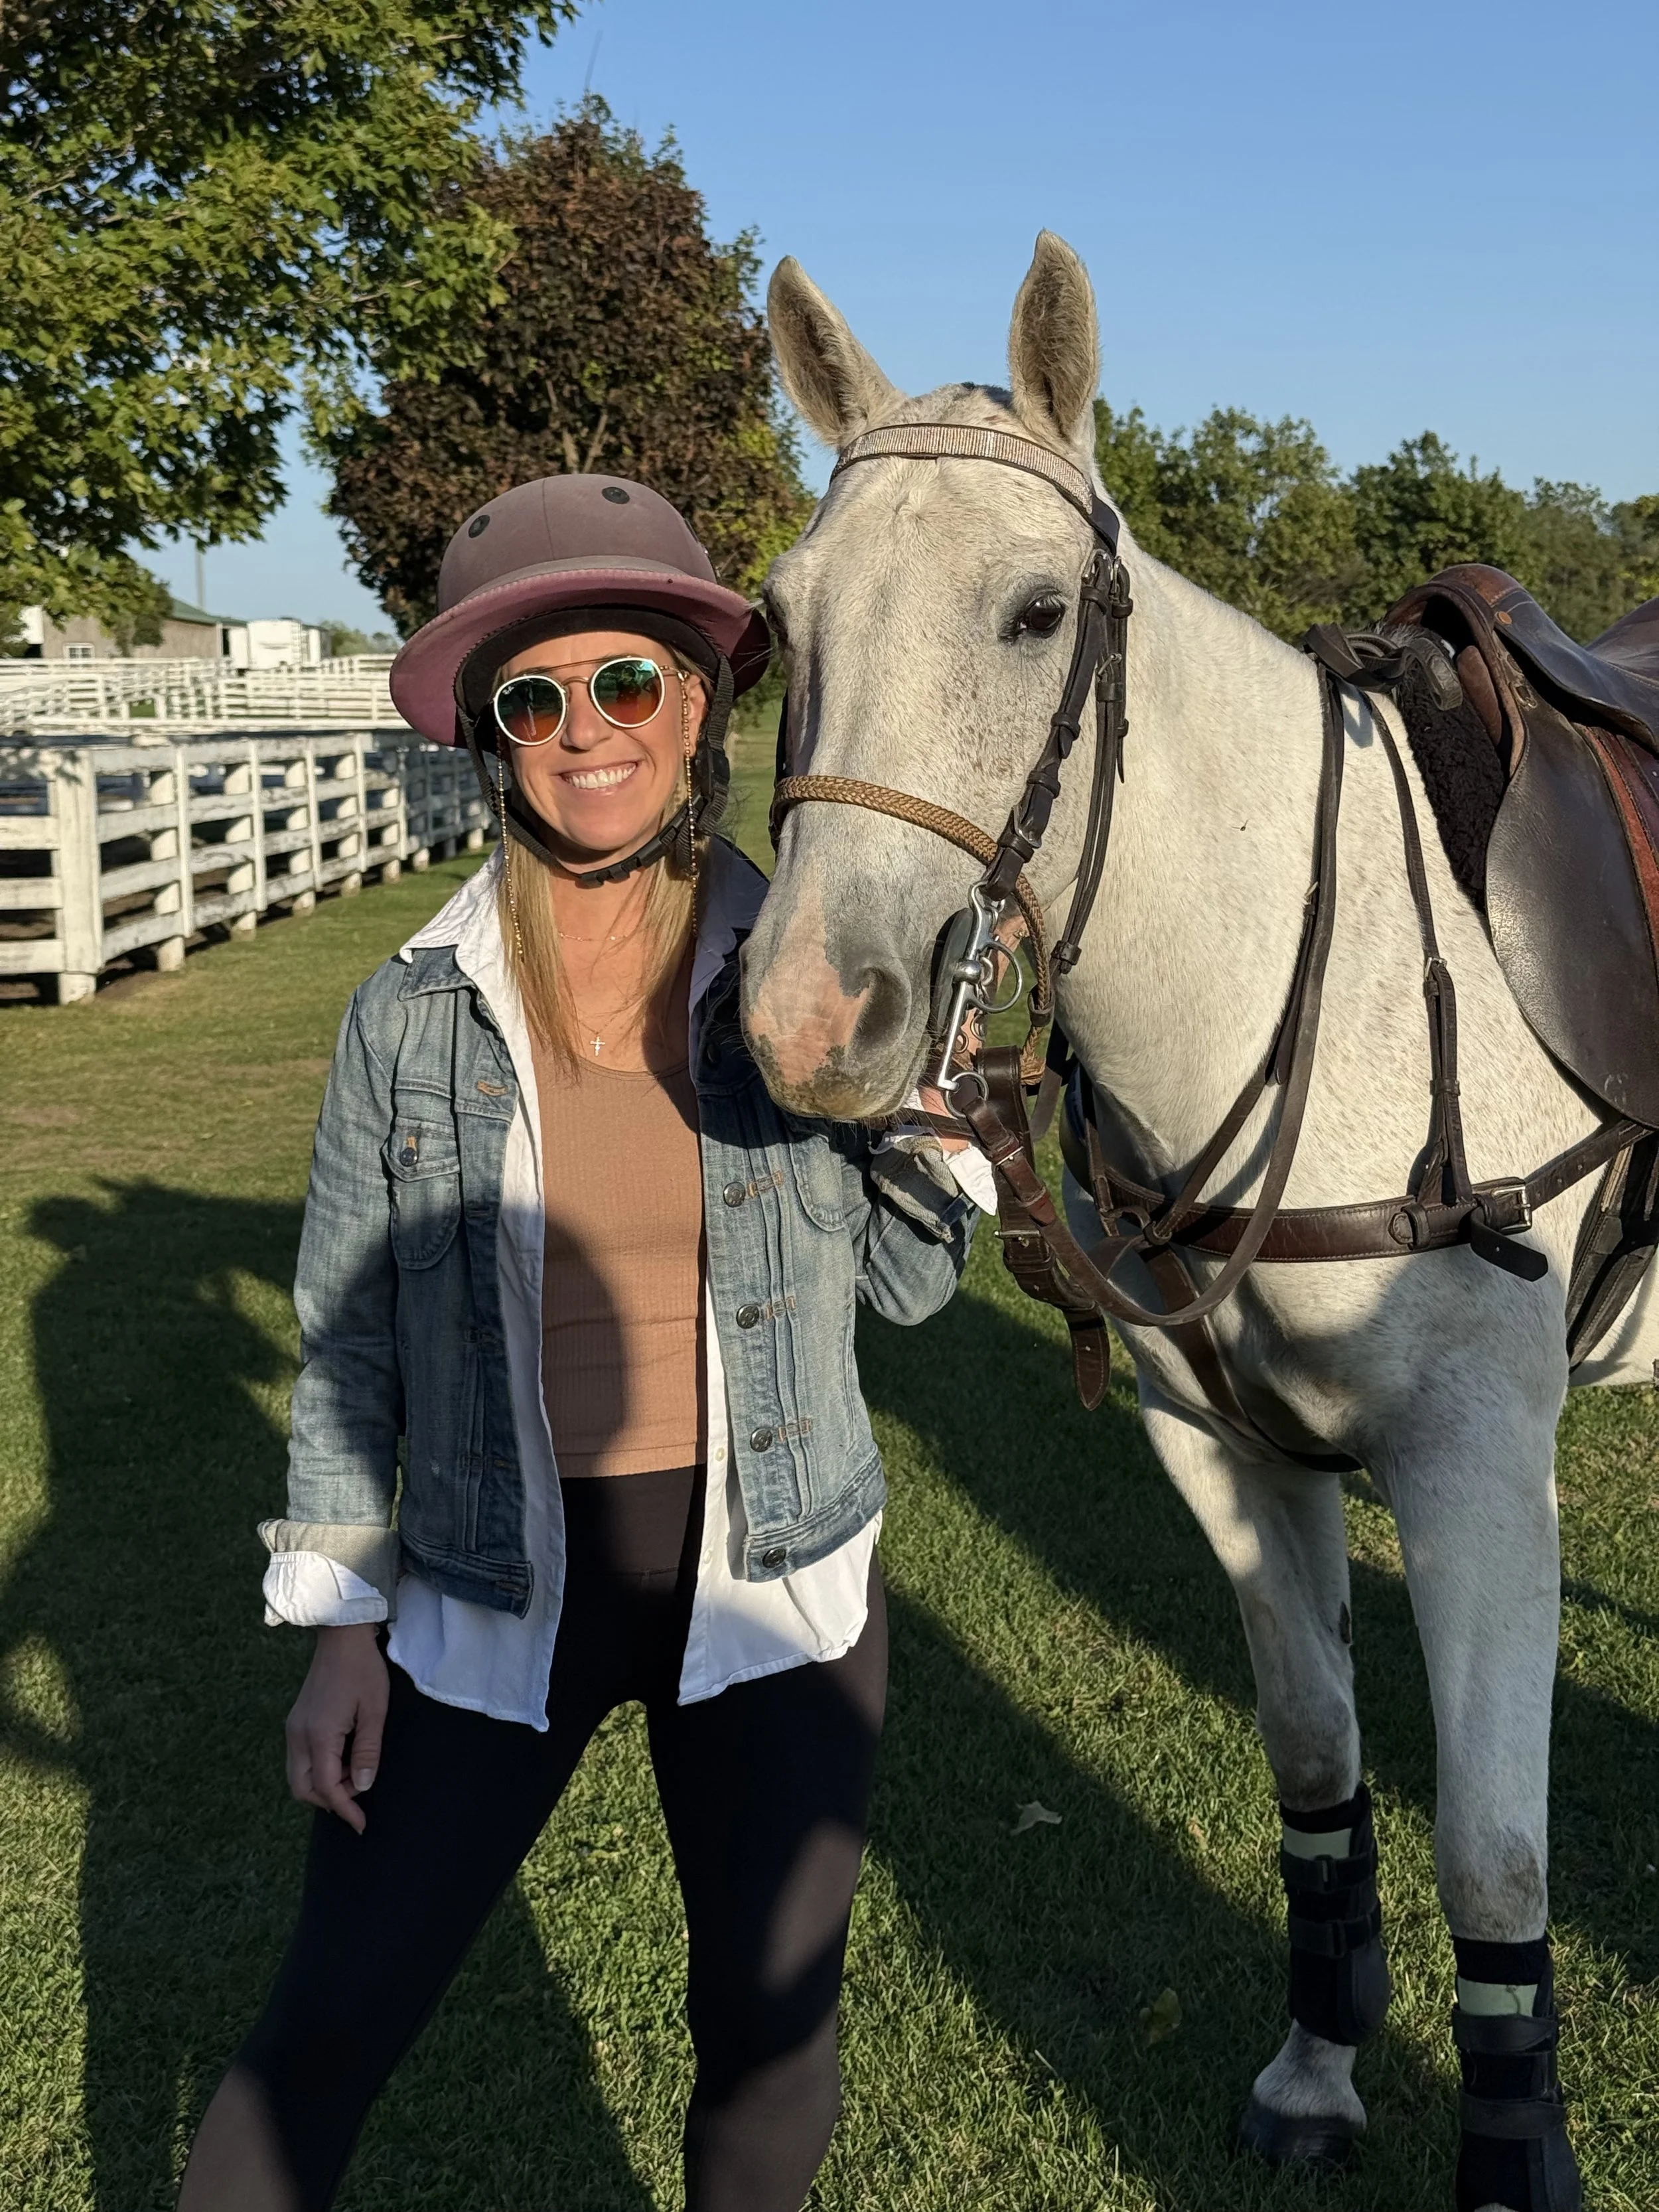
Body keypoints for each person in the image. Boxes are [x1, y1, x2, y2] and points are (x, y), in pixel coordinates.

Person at [177, 475, 985, 2212]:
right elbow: (343, 1345)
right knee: (327, 2024)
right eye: (534, 699)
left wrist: (922, 1087)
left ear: (697, 703)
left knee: (767, 2030)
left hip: (778, 1584)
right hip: (486, 1591)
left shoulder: (799, 972)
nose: (584, 731)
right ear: (490, 738)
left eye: (625, 681)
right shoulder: (409, 1013)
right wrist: (337, 1634)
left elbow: (914, 1287)